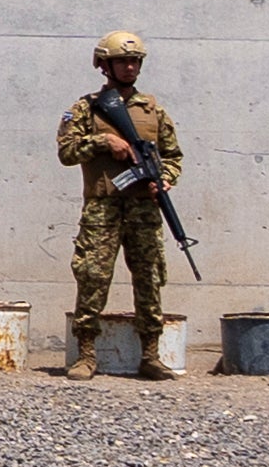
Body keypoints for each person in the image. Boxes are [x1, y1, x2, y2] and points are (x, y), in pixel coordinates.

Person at [54, 30, 182, 381]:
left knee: (149, 278)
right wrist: (103, 141)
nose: (129, 67)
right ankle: (86, 355)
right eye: (122, 61)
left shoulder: (153, 111)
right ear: (104, 65)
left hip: (143, 208)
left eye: (134, 61)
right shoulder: (86, 108)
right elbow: (67, 152)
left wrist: (165, 178)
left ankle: (151, 355)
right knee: (92, 277)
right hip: (103, 208)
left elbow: (172, 156)